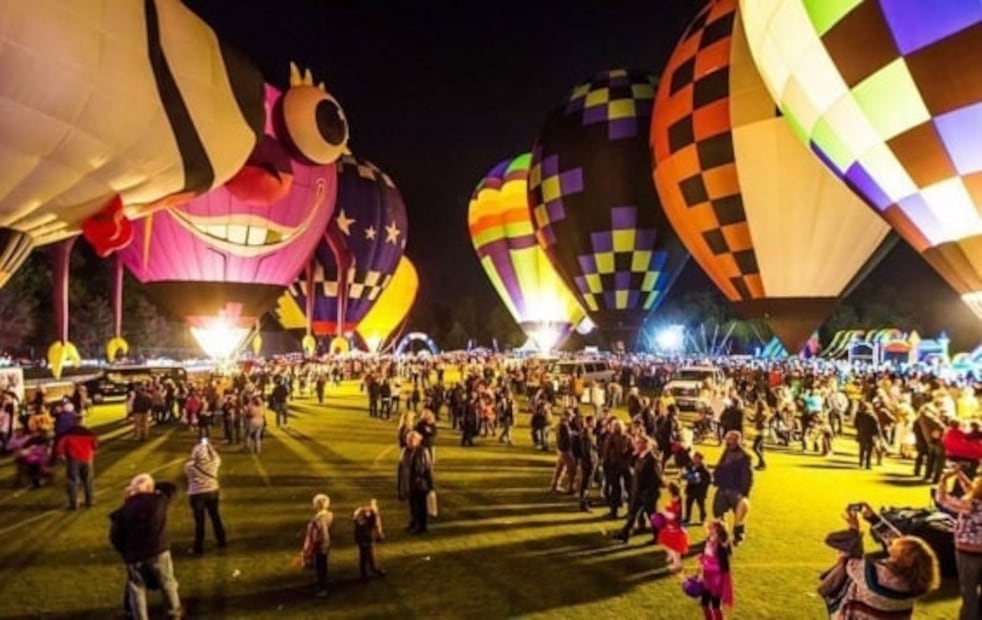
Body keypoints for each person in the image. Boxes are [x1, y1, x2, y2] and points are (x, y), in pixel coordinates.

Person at [818, 504, 940, 619]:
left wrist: (853, 529)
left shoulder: (874, 575)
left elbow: (849, 559)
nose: (892, 544)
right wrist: (873, 518)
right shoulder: (915, 582)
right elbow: (900, 544)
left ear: (898, 557)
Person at [109, 473, 182, 620]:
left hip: (134, 555)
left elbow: (115, 537)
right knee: (167, 583)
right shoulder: (158, 500)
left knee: (137, 589)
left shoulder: (123, 510)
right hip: (158, 551)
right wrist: (150, 486)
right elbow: (171, 487)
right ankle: (174, 613)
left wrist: (126, 553)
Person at [936, 467, 982, 620]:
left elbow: (942, 499)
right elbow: (972, 490)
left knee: (969, 590)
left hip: (968, 552)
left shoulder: (971, 505)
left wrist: (943, 480)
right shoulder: (973, 502)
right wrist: (960, 475)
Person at [614, 435, 662, 543]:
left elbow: (657, 479)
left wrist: (647, 492)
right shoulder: (639, 456)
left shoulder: (652, 459)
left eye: (638, 443)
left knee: (652, 516)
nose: (635, 444)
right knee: (632, 514)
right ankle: (625, 534)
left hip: (648, 494)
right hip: (638, 492)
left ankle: (658, 536)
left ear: (645, 444)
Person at [184, 440, 227, 555]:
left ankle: (198, 547)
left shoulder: (189, 467)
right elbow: (215, 455)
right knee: (215, 516)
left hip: (197, 494)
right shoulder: (215, 463)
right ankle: (222, 540)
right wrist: (208, 445)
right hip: (212, 492)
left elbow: (190, 464)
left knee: (200, 521)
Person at [712, 430, 753, 546]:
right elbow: (720, 467)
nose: (729, 442)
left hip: (736, 490)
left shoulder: (745, 456)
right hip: (723, 487)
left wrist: (744, 494)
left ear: (738, 441)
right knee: (718, 512)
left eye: (732, 440)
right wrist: (716, 478)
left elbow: (747, 477)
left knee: (739, 516)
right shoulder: (727, 451)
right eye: (728, 439)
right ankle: (721, 535)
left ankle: (739, 536)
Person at [55, 416, 97, 510]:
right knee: (88, 480)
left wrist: (61, 454)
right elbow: (95, 445)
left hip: (73, 459)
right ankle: (90, 500)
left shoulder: (68, 433)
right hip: (87, 459)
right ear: (83, 422)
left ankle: (73, 503)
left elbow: (60, 445)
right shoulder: (89, 433)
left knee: (72, 481)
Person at [397, 431, 434, 534]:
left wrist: (430, 486)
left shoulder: (422, 451)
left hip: (420, 484)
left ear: (417, 441)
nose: (409, 442)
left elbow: (427, 470)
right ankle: (414, 522)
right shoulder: (405, 451)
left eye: (411, 440)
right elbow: (401, 468)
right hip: (409, 483)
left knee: (421, 506)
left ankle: (421, 526)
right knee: (413, 505)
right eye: (408, 440)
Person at [698, 520, 734, 620]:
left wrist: (707, 565)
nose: (708, 529)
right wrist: (702, 561)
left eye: (711, 528)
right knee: (704, 604)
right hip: (707, 578)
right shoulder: (708, 541)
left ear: (718, 531)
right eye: (709, 528)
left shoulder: (721, 547)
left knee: (716, 606)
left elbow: (724, 567)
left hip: (716, 582)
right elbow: (707, 556)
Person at [299, 493, 333, 597]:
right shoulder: (329, 515)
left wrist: (309, 549)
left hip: (320, 545)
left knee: (320, 568)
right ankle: (323, 585)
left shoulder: (318, 519)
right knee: (322, 566)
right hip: (324, 544)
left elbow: (320, 534)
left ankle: (323, 588)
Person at [657, 482, 689, 572]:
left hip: (675, 528)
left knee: (674, 547)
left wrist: (664, 512)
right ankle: (672, 557)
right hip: (670, 526)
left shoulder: (678, 500)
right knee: (663, 541)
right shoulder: (674, 498)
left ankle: (677, 565)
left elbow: (675, 515)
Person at [353, 499, 387, 580]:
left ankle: (364, 573)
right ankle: (374, 569)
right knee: (370, 556)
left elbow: (356, 516)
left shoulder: (358, 521)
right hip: (368, 540)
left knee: (363, 557)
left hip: (362, 540)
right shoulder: (369, 521)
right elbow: (376, 520)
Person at [682, 451, 711, 524]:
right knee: (688, 504)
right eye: (694, 457)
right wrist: (685, 476)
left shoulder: (704, 469)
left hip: (699, 491)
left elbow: (708, 479)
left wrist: (700, 480)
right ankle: (687, 518)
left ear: (700, 459)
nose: (695, 459)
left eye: (697, 458)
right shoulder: (690, 466)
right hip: (691, 489)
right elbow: (684, 474)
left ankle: (703, 518)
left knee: (701, 505)